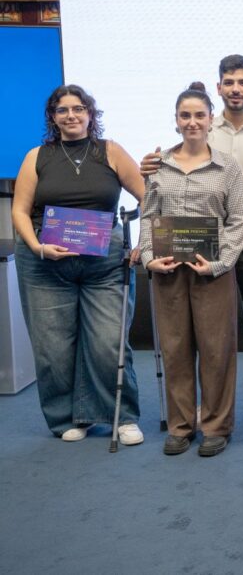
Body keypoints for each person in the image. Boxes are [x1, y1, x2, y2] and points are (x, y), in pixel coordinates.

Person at [142, 55, 243, 433]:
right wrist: (149, 167)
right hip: (202, 245)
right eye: (229, 82)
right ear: (218, 87)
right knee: (205, 333)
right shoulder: (203, 127)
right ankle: (204, 405)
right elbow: (170, 176)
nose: (236, 89)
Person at [12, 84, 146, 444]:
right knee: (53, 348)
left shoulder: (111, 151)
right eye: (62, 110)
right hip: (45, 264)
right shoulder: (36, 156)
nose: (70, 115)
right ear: (53, 118)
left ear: (90, 113)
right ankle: (67, 419)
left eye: (78, 108)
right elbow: (19, 211)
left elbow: (148, 197)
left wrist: (144, 242)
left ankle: (121, 416)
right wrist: (38, 247)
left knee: (109, 343)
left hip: (104, 264)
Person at [139, 83, 243, 457]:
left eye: (199, 115)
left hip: (212, 271)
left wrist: (220, 263)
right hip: (168, 270)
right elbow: (148, 215)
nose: (192, 122)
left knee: (217, 351)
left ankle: (216, 426)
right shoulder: (158, 165)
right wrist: (148, 257)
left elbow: (238, 220)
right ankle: (181, 426)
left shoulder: (227, 167)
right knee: (175, 349)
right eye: (185, 115)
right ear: (176, 120)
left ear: (210, 119)